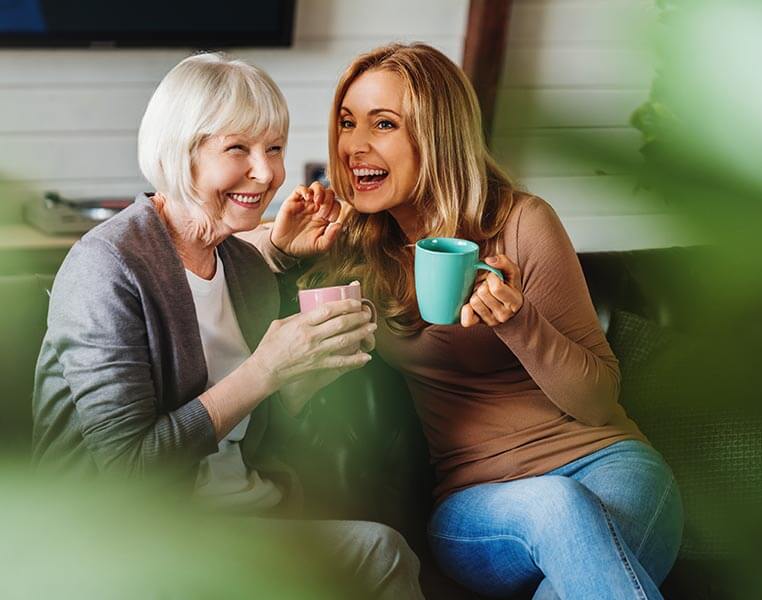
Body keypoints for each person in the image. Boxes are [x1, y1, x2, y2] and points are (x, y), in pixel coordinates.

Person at [297, 42, 684, 599]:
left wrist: (519, 321)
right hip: (477, 506)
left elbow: (597, 401)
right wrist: (285, 251)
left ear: (438, 136)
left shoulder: (522, 222)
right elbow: (237, 258)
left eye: (383, 124)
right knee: (556, 503)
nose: (355, 145)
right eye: (347, 122)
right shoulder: (353, 248)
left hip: (611, 469)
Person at [31, 52, 424, 600]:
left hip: (245, 514)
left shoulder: (242, 266)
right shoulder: (107, 266)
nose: (266, 174)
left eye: (275, 148)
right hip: (125, 539)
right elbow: (127, 467)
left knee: (382, 549)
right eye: (237, 148)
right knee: (381, 555)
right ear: (180, 153)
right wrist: (266, 370)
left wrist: (306, 373)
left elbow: (252, 428)